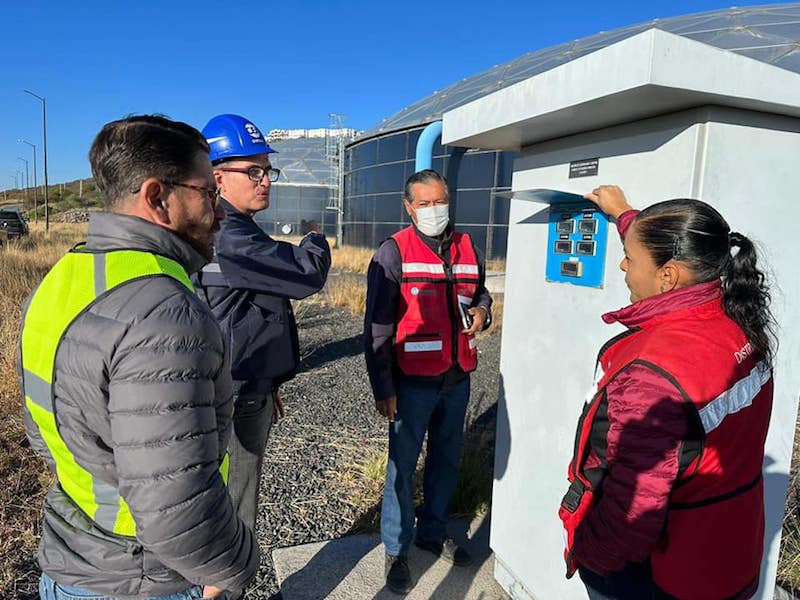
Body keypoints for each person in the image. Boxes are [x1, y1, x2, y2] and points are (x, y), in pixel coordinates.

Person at [20, 115, 258, 600]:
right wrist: (234, 568)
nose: (222, 211)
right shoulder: (164, 310)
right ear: (157, 197)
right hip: (146, 580)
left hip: (73, 563)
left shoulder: (62, 279)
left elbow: (43, 429)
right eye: (208, 193)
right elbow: (176, 502)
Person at [559, 185, 776, 600]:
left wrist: (587, 556)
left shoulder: (654, 372)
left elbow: (632, 510)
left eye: (630, 257)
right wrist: (624, 214)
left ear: (667, 275)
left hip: (659, 575)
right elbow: (674, 243)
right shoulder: (737, 319)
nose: (623, 264)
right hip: (726, 552)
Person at [194, 114, 331, 539]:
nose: (265, 180)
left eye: (267, 170)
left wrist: (269, 383)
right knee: (237, 500)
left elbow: (246, 309)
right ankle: (229, 582)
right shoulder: (230, 235)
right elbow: (305, 274)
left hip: (242, 379)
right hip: (236, 388)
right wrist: (315, 239)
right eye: (253, 170)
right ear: (218, 177)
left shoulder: (219, 229)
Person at [364, 169, 493, 595]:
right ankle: (397, 550)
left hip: (457, 377)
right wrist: (383, 387)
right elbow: (378, 327)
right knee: (401, 469)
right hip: (412, 382)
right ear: (409, 207)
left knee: (446, 461)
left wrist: (483, 312)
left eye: (440, 201)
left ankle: (433, 534)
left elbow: (480, 293)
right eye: (424, 204)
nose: (434, 210)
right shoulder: (393, 252)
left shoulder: (467, 245)